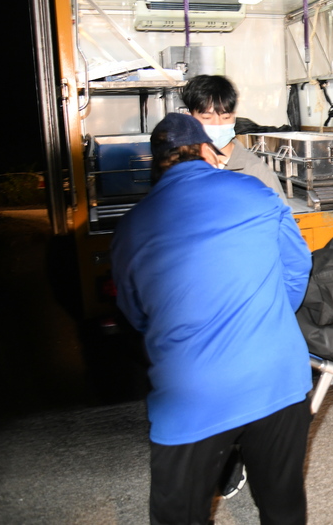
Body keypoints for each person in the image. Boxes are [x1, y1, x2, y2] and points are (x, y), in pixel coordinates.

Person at [112, 112, 313, 524]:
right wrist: (269, 318)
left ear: (157, 165)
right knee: (283, 507)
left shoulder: (131, 227)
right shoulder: (254, 192)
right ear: (207, 151)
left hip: (191, 394)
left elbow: (136, 313)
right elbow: (296, 268)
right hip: (276, 377)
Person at [181, 74, 288, 203]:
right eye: (207, 118)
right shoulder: (180, 169)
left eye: (225, 117)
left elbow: (279, 214)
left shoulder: (255, 171)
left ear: (234, 117)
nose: (217, 125)